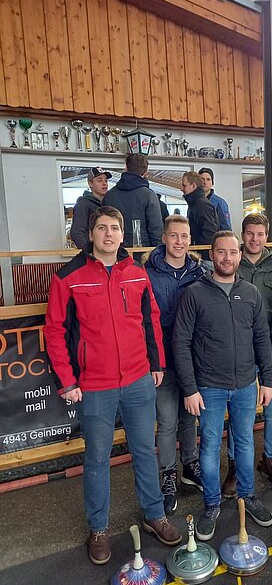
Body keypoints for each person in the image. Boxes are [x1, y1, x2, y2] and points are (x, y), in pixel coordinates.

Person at [44, 206, 181, 566]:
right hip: (94, 385)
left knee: (145, 451)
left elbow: (150, 319)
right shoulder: (68, 277)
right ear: (90, 234)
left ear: (123, 235)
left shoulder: (136, 272)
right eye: (102, 228)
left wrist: (156, 363)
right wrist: (67, 380)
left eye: (115, 228)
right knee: (97, 458)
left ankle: (155, 514)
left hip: (138, 379)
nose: (109, 234)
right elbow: (55, 331)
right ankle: (99, 528)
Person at [172, 231, 272, 541]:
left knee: (244, 442)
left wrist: (267, 380)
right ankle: (212, 504)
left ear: (240, 255)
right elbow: (181, 342)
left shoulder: (251, 293)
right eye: (221, 252)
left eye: (232, 252)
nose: (227, 258)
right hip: (209, 387)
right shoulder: (194, 294)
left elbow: (261, 338)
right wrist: (190, 388)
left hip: (245, 385)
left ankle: (248, 495)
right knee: (210, 446)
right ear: (211, 255)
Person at [143, 215, 205, 515]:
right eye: (174, 236)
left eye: (184, 236)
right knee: (167, 421)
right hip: (163, 360)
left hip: (193, 359)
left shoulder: (200, 273)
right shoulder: (147, 273)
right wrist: (152, 358)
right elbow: (144, 320)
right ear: (164, 238)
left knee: (189, 416)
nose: (179, 241)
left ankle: (189, 465)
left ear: (190, 240)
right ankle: (167, 473)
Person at [233, 213, 272, 491]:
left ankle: (270, 459)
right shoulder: (232, 265)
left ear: (266, 237)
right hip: (240, 351)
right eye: (250, 233)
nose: (254, 239)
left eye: (259, 234)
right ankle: (236, 466)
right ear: (242, 235)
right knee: (239, 412)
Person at [104, 153, 163, 248]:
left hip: (115, 250)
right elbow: (156, 229)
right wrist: (158, 252)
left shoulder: (109, 196)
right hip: (142, 251)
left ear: (126, 168)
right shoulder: (149, 196)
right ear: (146, 172)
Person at [181, 171, 219, 263]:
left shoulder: (201, 205)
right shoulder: (195, 204)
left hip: (203, 259)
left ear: (193, 186)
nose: (181, 189)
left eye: (184, 185)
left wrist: (198, 252)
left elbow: (209, 233)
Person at [70, 167, 112, 249]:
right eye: (99, 180)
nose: (104, 183)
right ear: (90, 183)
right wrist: (88, 251)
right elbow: (76, 232)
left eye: (106, 181)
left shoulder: (108, 205)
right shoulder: (83, 205)